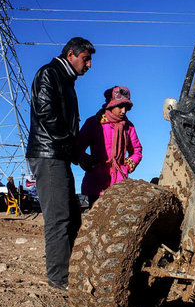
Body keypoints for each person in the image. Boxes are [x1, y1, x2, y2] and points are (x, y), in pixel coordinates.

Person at [26, 36, 95, 291]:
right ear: (70, 55)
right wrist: (70, 144)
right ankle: (59, 279)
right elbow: (47, 114)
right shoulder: (50, 73)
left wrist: (77, 154)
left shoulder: (67, 81)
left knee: (72, 217)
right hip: (48, 154)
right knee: (58, 217)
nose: (88, 65)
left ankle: (70, 274)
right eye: (85, 59)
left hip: (58, 154)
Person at [78, 86, 143, 207]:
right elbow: (77, 147)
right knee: (90, 220)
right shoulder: (93, 123)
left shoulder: (129, 127)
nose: (123, 111)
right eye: (120, 106)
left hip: (120, 186)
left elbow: (137, 151)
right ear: (110, 105)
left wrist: (127, 167)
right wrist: (86, 161)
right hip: (93, 183)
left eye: (126, 107)